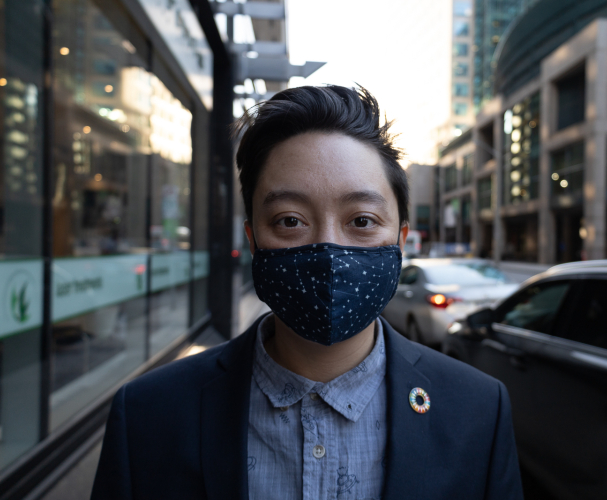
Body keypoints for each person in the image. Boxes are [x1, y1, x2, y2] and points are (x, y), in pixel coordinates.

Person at [91, 85, 523, 500]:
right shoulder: (149, 415)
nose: (329, 250)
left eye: (363, 221)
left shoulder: (478, 411)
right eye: (290, 221)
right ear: (254, 238)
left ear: (401, 240)